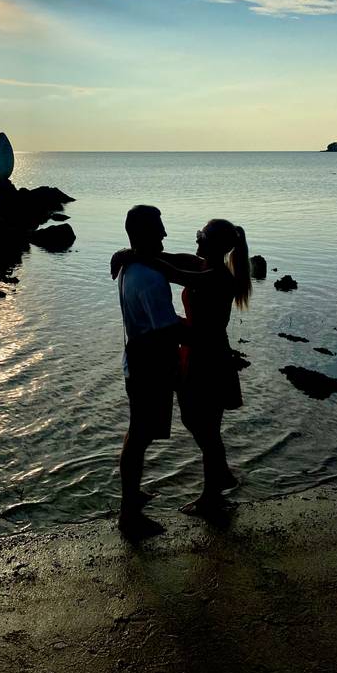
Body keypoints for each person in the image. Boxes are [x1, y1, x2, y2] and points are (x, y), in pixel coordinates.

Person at [112, 218, 251, 517]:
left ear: (217, 245)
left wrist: (134, 255)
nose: (197, 239)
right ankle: (221, 475)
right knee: (195, 421)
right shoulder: (200, 263)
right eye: (198, 234)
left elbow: (171, 272)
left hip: (210, 356)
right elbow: (166, 258)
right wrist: (128, 251)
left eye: (202, 236)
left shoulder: (217, 277)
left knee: (206, 428)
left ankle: (211, 496)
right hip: (193, 352)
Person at [115, 205, 184, 538]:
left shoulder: (132, 267)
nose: (165, 234)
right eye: (159, 227)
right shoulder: (150, 279)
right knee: (140, 437)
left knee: (136, 435)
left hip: (136, 360)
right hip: (150, 365)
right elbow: (168, 330)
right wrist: (205, 330)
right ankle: (129, 515)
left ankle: (132, 495)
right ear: (143, 233)